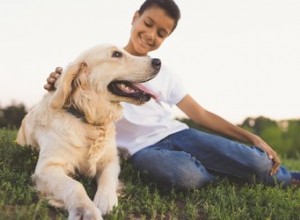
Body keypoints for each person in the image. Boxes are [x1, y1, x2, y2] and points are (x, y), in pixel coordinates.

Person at [44, 0, 300, 189]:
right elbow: (73, 84)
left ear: (166, 38)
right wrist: (57, 80)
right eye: (148, 23)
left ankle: (290, 178)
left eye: (161, 33)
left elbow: (199, 114)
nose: (150, 35)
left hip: (179, 134)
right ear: (135, 17)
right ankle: (227, 175)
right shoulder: (103, 59)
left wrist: (251, 136)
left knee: (257, 163)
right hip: (141, 150)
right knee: (186, 178)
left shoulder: (161, 71)